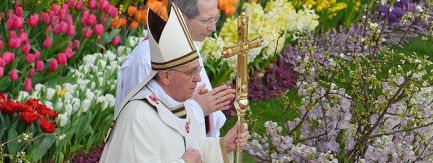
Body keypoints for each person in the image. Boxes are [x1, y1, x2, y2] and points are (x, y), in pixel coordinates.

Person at [101, 5, 248, 162]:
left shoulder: (183, 105)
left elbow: (192, 148)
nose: (198, 79)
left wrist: (223, 147)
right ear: (165, 77)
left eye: (198, 70)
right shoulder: (138, 116)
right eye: (191, 72)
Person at [114, 0, 233, 138]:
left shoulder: (188, 48)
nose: (213, 28)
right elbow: (140, 125)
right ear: (180, 17)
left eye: (215, 18)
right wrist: (197, 110)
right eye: (207, 20)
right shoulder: (146, 61)